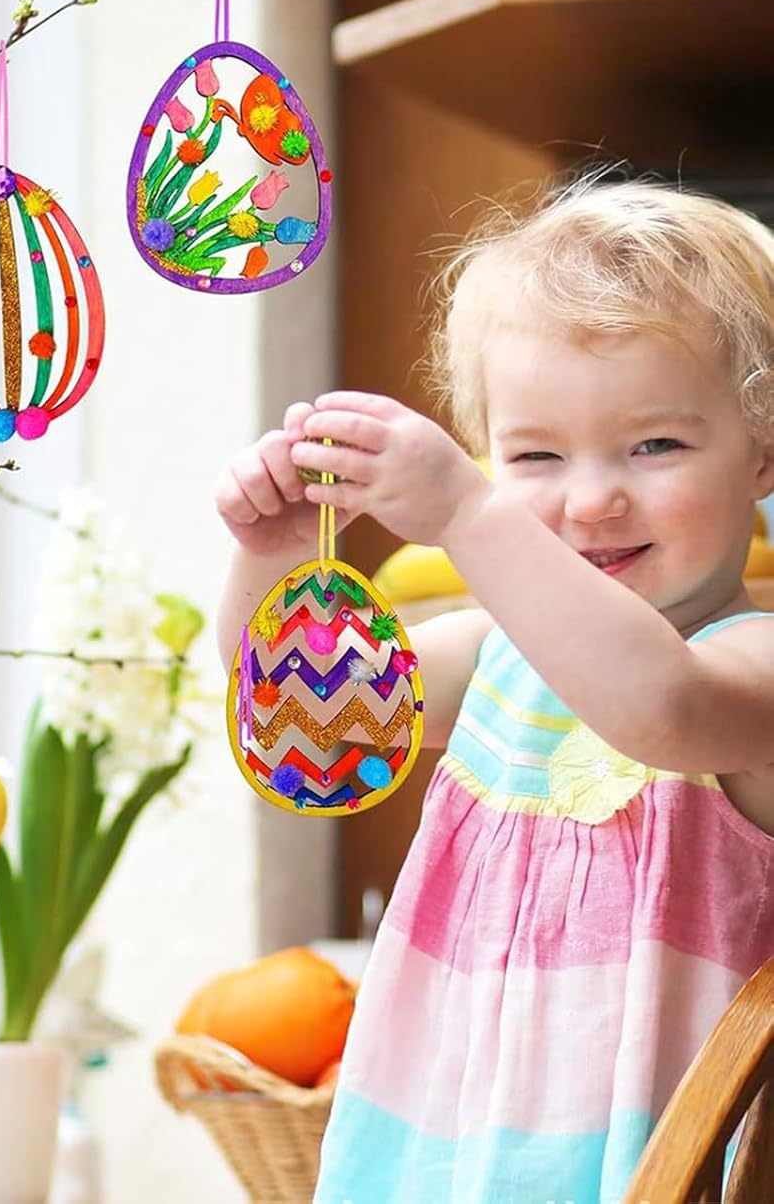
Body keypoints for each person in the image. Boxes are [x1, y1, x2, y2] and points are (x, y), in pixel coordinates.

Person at [214, 177, 774, 1203]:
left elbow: (659, 707)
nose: (594, 496)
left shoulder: (752, 665)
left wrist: (473, 514)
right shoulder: (498, 655)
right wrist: (277, 561)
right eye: (536, 455)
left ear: (764, 453)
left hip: (664, 1168)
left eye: (657, 445)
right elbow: (317, 730)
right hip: (441, 1156)